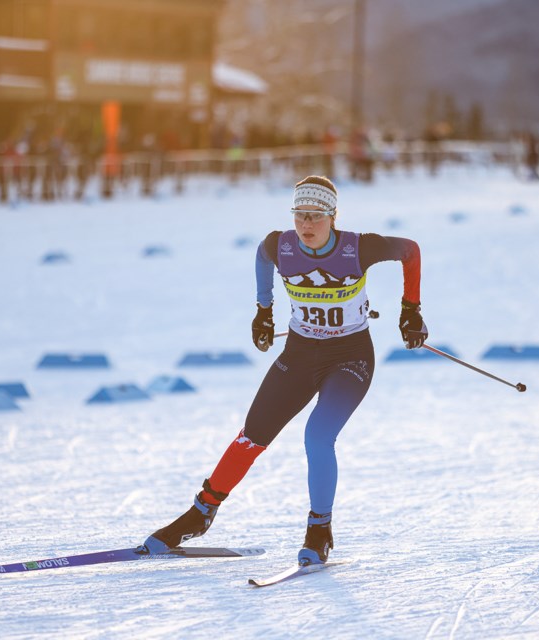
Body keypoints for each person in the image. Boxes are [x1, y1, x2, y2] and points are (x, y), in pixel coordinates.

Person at [140, 175, 427, 566]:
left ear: (332, 216)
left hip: (350, 359)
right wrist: (263, 310)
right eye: (300, 215)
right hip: (300, 354)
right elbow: (261, 255)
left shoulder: (359, 248)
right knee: (251, 436)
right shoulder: (280, 245)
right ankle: (200, 513)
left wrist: (411, 311)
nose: (306, 225)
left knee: (317, 436)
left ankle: (319, 530)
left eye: (315, 216)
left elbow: (410, 251)